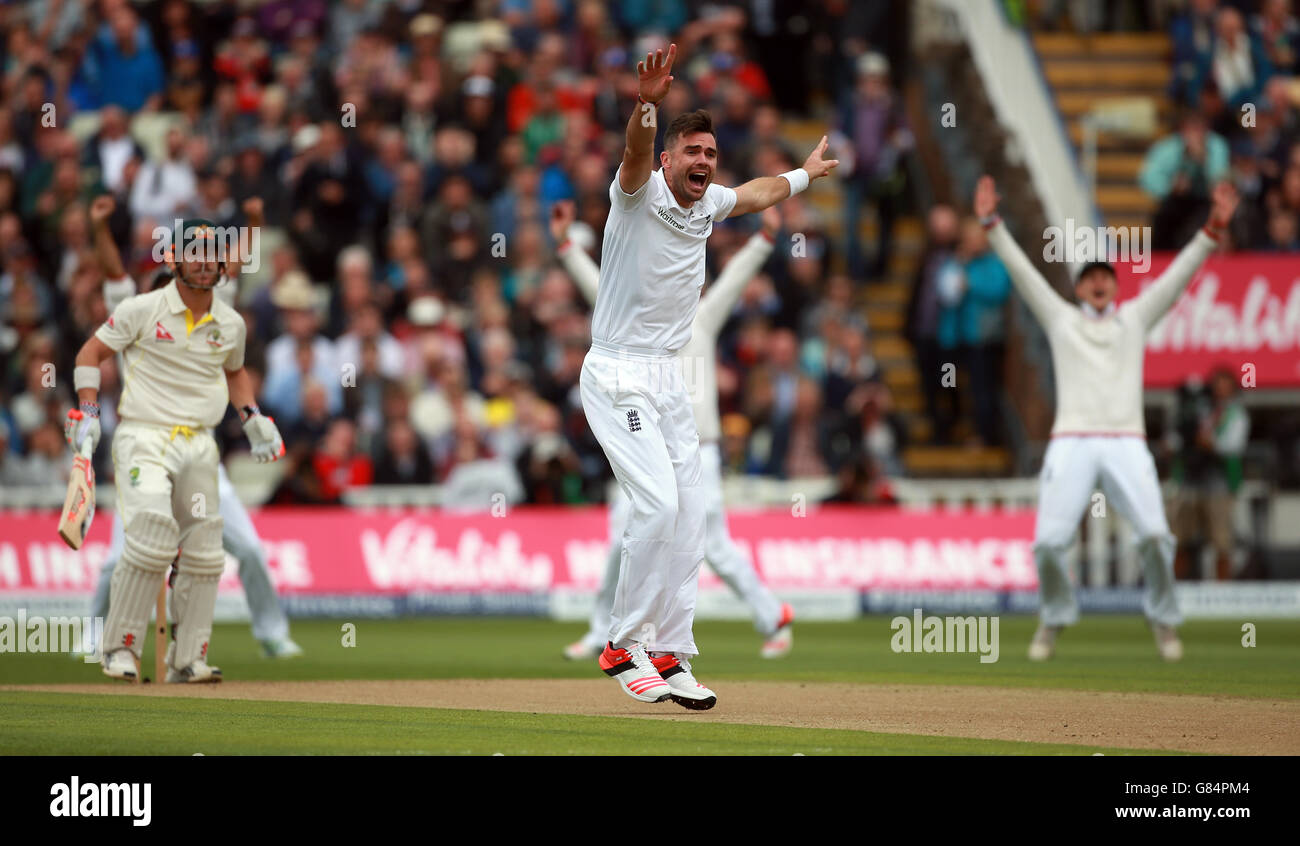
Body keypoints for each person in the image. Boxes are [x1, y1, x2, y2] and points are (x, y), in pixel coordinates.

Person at [578, 44, 837, 708]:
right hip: (616, 371)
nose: (703, 162)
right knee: (659, 505)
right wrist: (645, 107)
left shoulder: (706, 204)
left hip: (668, 380)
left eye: (710, 153)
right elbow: (635, 156)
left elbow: (755, 194)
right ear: (669, 158)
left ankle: (670, 651)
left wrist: (803, 175)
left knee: (691, 515)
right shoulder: (635, 194)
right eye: (691, 151)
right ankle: (621, 643)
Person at [974, 174, 1238, 663]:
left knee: (1157, 537)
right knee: (1050, 544)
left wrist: (1212, 229)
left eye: (1105, 277)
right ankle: (1053, 618)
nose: (1098, 283)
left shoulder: (1134, 320)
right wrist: (992, 225)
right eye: (1089, 278)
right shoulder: (1062, 321)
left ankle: (1163, 620)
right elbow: (1023, 275)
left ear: (1115, 286)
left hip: (1125, 440)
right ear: (1078, 289)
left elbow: (1177, 280)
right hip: (1072, 440)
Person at [552, 200, 795, 662]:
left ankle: (770, 615)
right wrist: (566, 248)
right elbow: (597, 289)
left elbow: (733, 282)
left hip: (697, 451)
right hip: (641, 444)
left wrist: (764, 240)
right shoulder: (636, 319)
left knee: (712, 546)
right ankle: (604, 630)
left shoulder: (700, 319)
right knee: (622, 539)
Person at [82, 195, 303, 660]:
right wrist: (101, 229)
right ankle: (95, 636)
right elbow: (111, 276)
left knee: (251, 552)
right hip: (146, 448)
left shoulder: (214, 308)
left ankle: (272, 633)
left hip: (199, 452)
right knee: (117, 561)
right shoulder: (137, 308)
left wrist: (256, 221)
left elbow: (236, 265)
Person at [1171, 367, 1251, 580]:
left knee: (1221, 540)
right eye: (1216, 386)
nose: (1220, 391)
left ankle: (1222, 593)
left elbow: (1233, 446)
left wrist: (1209, 443)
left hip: (1219, 483)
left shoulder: (1236, 414)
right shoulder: (1201, 409)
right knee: (1180, 537)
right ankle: (1176, 590)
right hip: (1191, 480)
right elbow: (1181, 437)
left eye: (1225, 386)